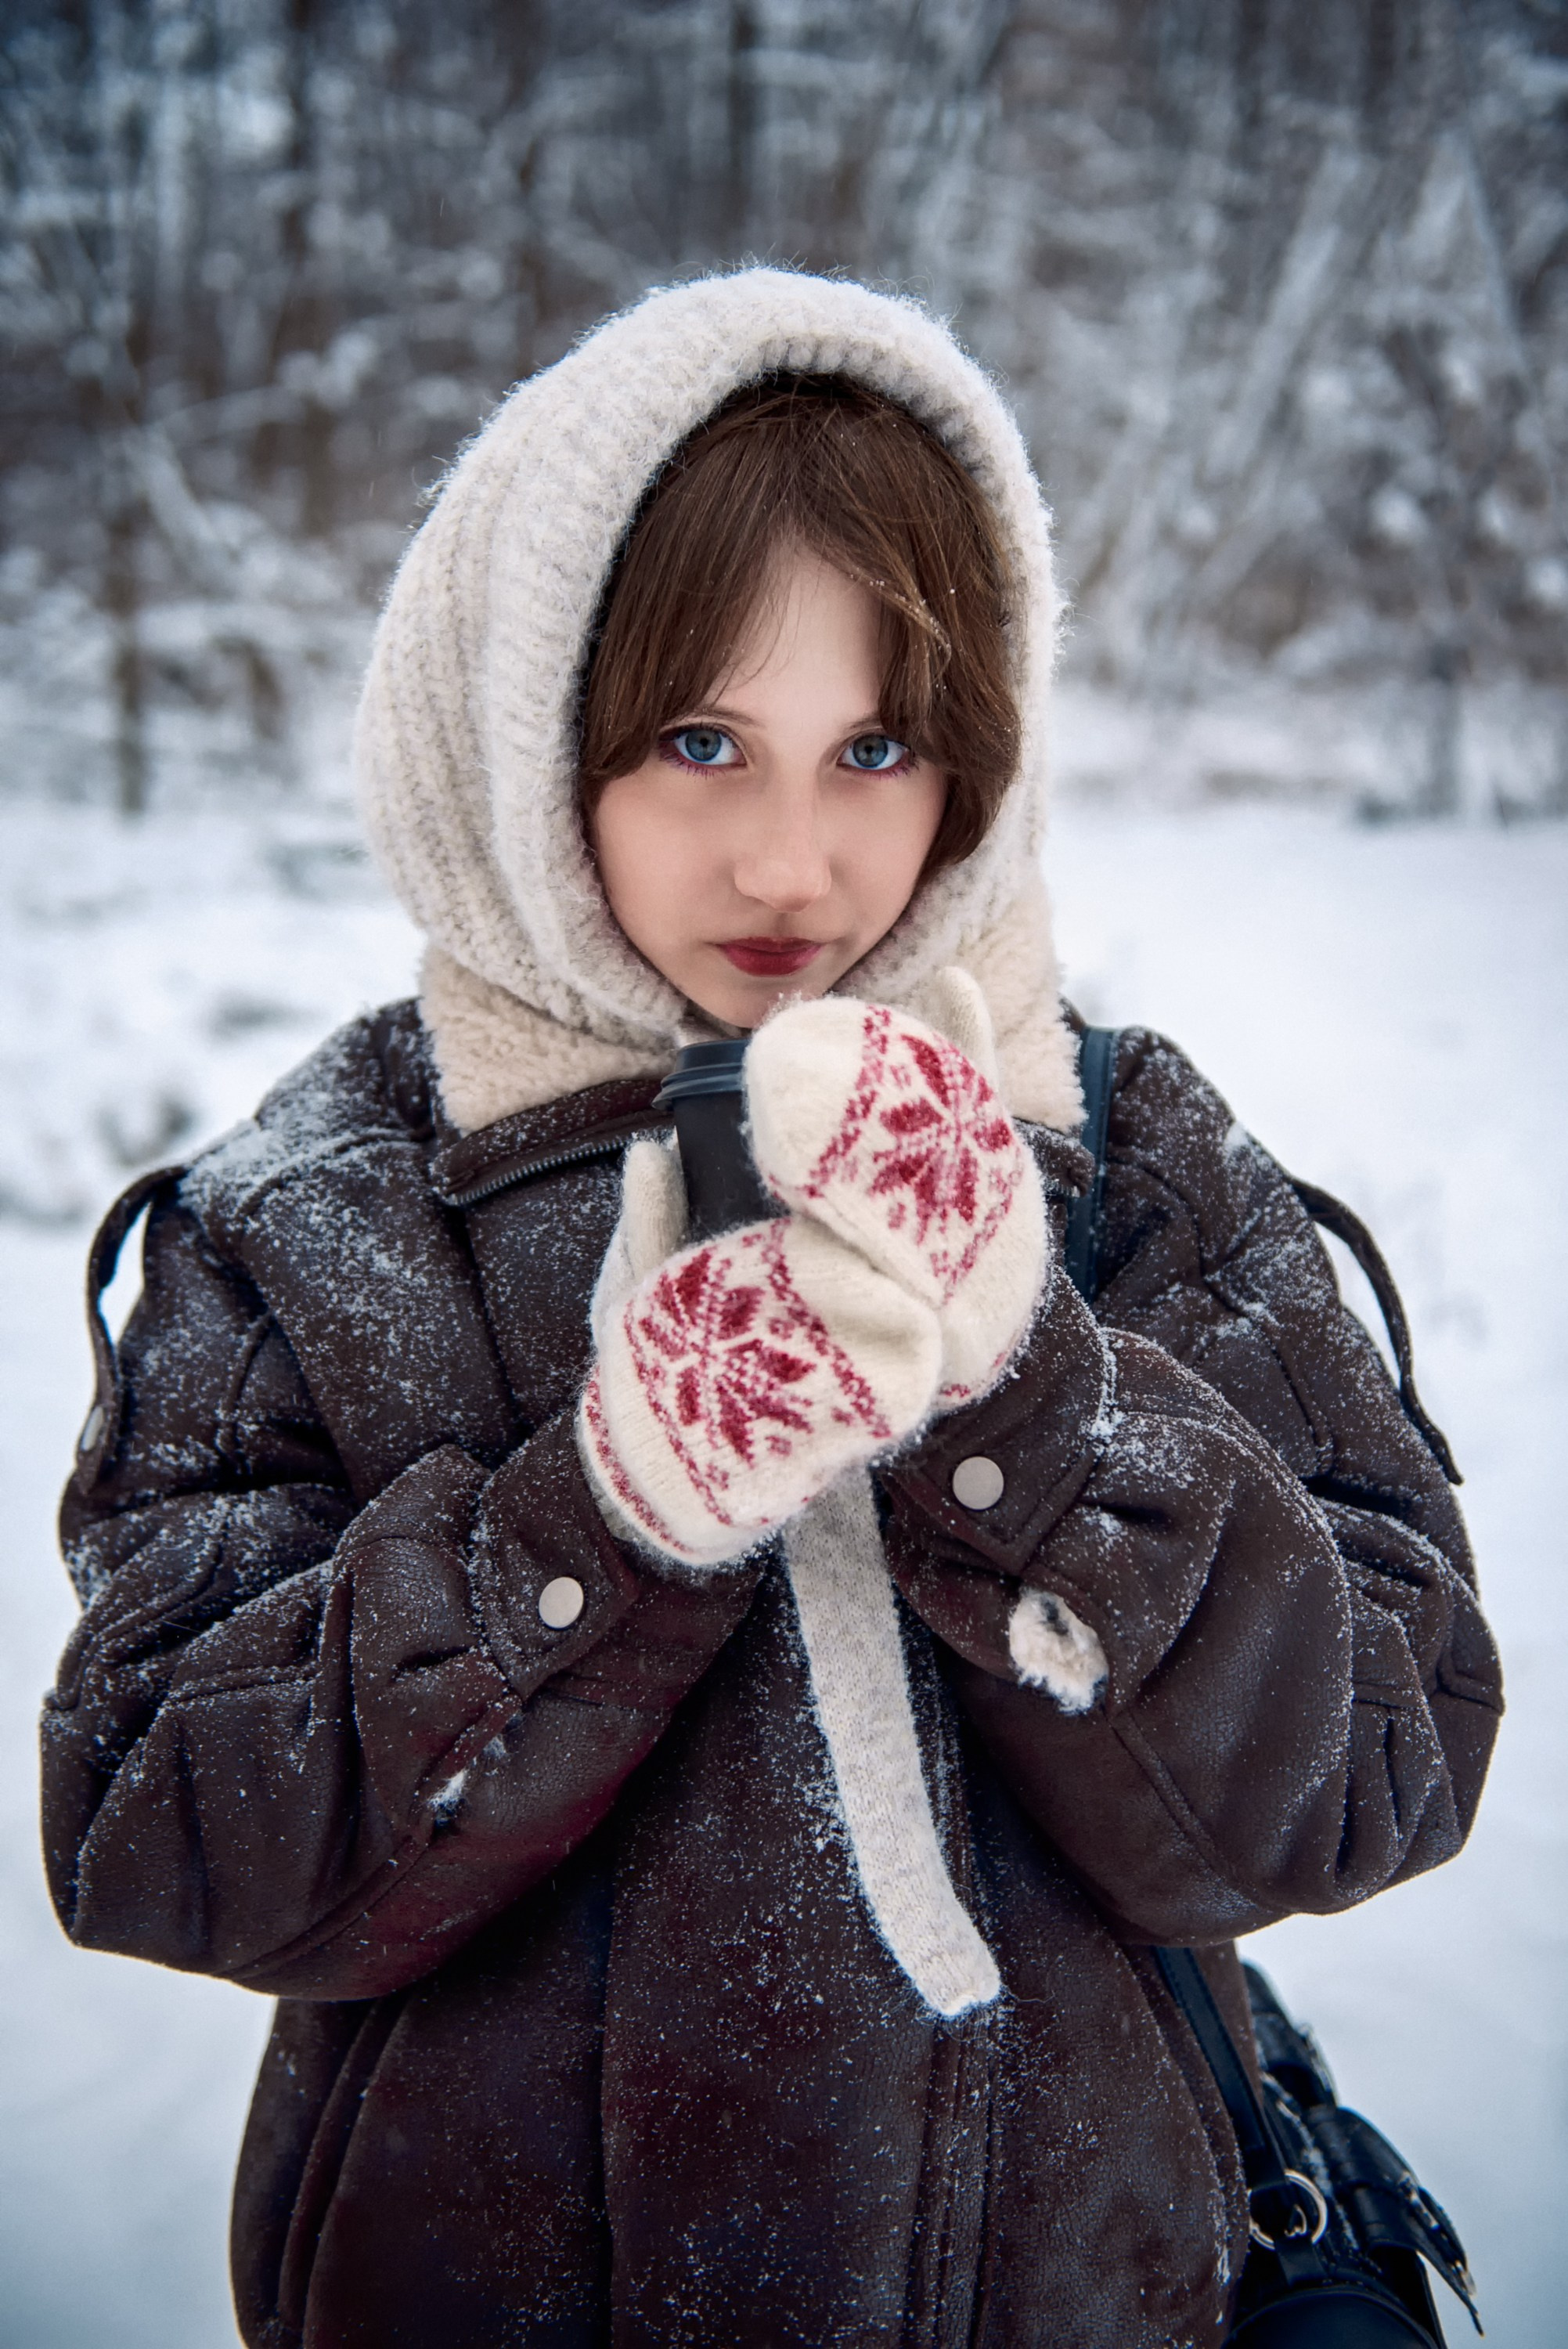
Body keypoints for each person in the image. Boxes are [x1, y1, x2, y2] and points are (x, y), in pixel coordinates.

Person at [41, 271, 1501, 2349]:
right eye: (699, 742)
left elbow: (1366, 1774)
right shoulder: (325, 1207)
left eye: (875, 746)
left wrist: (1023, 1413)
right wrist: (599, 1522)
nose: (793, 864)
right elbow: (159, 1831)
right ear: (523, 730)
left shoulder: (1119, 1155)